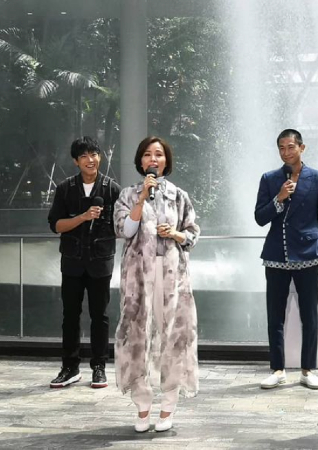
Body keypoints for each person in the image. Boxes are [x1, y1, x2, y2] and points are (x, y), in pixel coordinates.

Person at [113, 136, 200, 433]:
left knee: (173, 336)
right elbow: (125, 229)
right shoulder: (128, 194)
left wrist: (175, 234)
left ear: (166, 161)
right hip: (139, 277)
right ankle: (142, 406)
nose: (154, 159)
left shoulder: (179, 195)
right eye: (148, 154)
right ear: (140, 161)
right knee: (137, 337)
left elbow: (192, 233)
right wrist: (141, 199)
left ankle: (168, 406)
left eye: (159, 154)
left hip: (172, 275)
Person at [254, 129, 318, 390]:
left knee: (309, 316)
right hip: (276, 255)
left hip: (308, 256)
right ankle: (277, 369)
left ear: (302, 147)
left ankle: (307, 370)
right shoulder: (269, 179)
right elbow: (259, 218)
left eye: (290, 147)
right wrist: (279, 198)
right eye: (281, 148)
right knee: (275, 316)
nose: (286, 152)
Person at [47, 136, 120, 389]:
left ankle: (99, 367)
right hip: (73, 262)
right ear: (76, 161)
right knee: (70, 316)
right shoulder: (65, 188)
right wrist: (82, 217)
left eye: (94, 154)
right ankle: (69, 367)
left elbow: (121, 226)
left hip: (101, 262)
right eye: (85, 156)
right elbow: (56, 225)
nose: (91, 160)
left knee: (100, 316)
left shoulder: (112, 189)